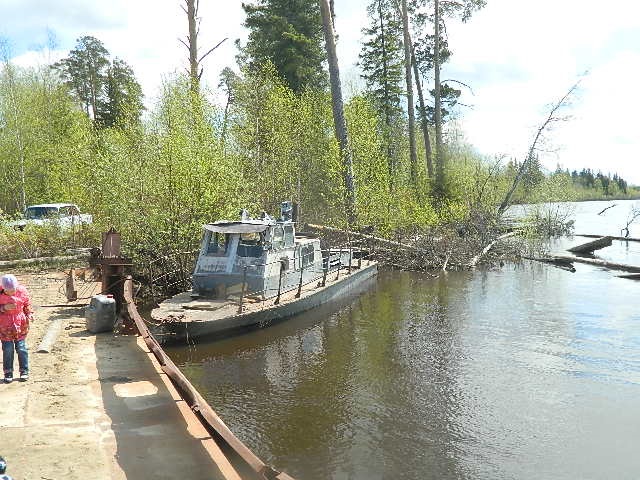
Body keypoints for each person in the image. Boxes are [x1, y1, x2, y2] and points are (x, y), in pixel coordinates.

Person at [0, 274, 33, 383]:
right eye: (8, 291)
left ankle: (24, 371)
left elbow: (26, 304)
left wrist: (29, 314)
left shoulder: (22, 291)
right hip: (5, 326)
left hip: (20, 324)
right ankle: (8, 372)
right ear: (3, 288)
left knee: (21, 348)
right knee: (8, 349)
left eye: (13, 290)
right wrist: (3, 308)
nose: (11, 292)